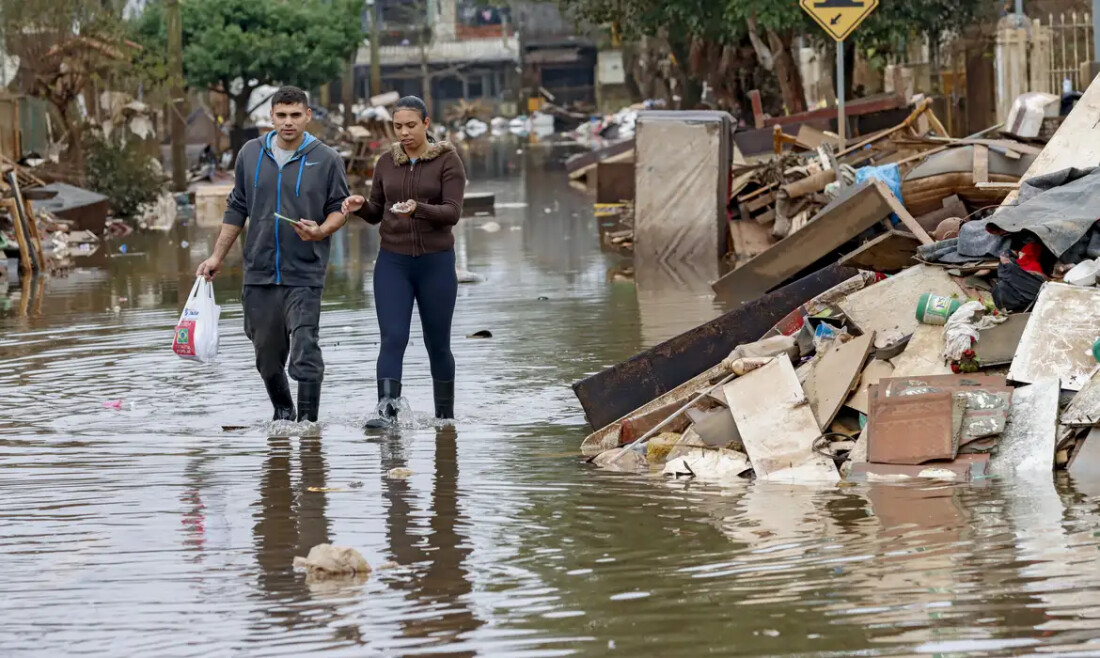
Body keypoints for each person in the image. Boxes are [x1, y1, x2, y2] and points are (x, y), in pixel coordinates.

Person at [196, 85, 350, 423]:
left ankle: (308, 427)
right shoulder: (250, 154)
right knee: (266, 356)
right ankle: (283, 413)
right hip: (259, 272)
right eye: (281, 115)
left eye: (296, 115)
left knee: (305, 348)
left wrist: (322, 231)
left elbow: (339, 208)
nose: (288, 122)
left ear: (308, 116)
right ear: (271, 117)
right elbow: (237, 207)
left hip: (305, 272)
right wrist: (216, 257)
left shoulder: (327, 159)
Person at [341, 95, 466, 428]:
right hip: (393, 263)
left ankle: (445, 418)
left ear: (427, 123)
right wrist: (360, 205)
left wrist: (418, 208)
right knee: (393, 337)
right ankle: (386, 410)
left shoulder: (448, 161)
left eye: (411, 125)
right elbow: (376, 212)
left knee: (437, 343)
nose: (404, 132)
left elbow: (452, 212)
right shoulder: (386, 162)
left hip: (435, 263)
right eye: (398, 126)